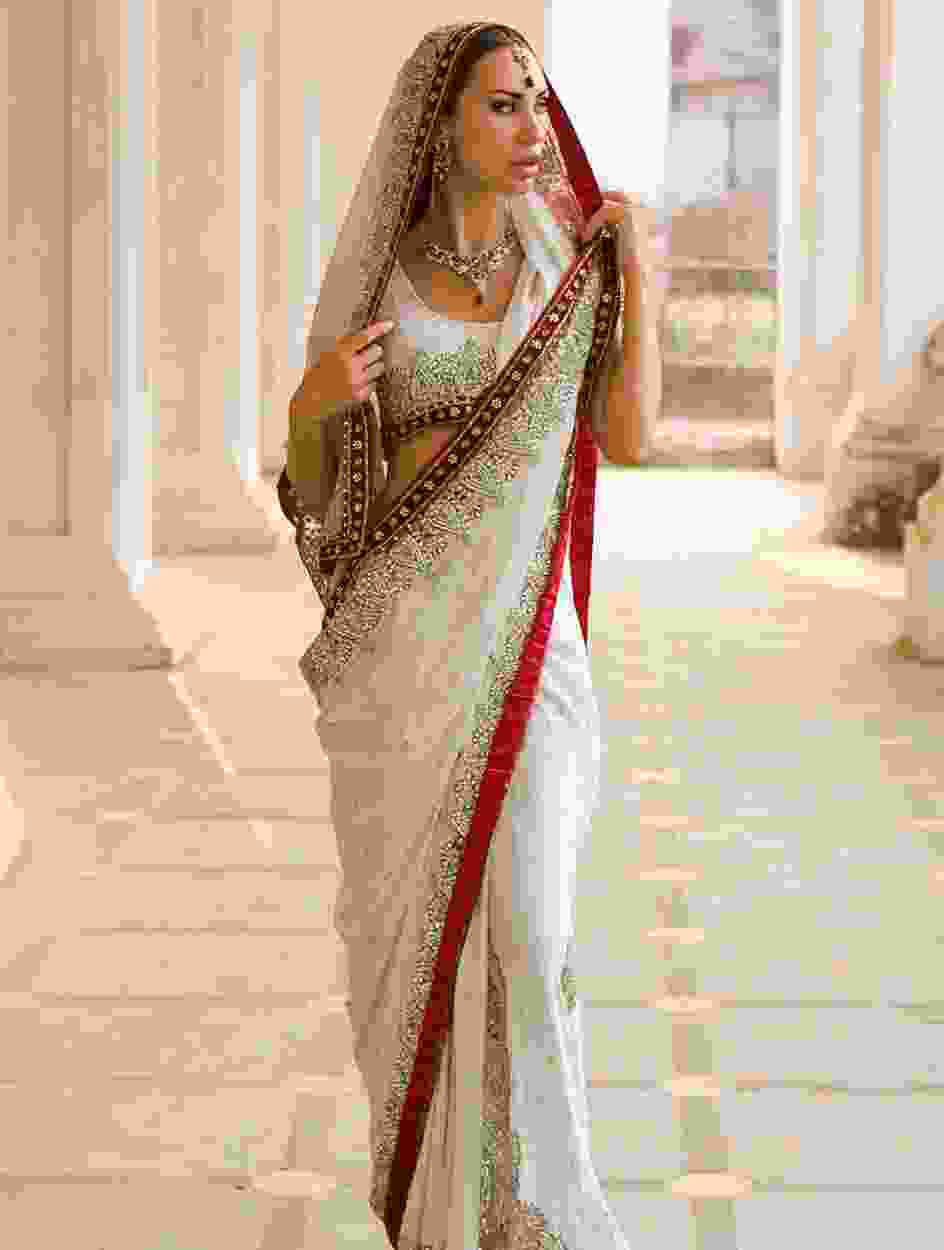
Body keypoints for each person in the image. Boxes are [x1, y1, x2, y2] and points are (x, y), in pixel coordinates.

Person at [277, 21, 659, 1250]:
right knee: (413, 946)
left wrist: (639, 274)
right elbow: (324, 499)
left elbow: (628, 437)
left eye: (537, 100)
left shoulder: (564, 266)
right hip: (407, 661)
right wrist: (312, 407)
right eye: (502, 105)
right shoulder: (382, 285)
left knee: (535, 931)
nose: (534, 127)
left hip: (532, 649)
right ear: (441, 126)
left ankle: (543, 1207)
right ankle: (453, 1215)